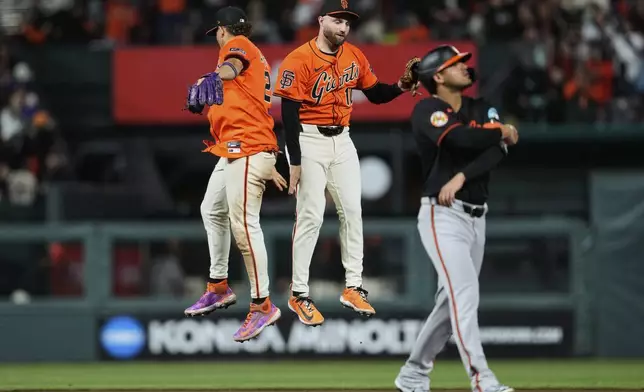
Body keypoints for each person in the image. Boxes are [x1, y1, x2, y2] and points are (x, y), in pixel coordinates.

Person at [273, 0, 419, 326]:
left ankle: (353, 286)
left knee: (352, 210)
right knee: (310, 215)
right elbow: (289, 115)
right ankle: (299, 294)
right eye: (337, 20)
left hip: (343, 139)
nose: (343, 27)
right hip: (309, 138)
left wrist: (400, 86)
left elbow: (376, 93)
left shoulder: (354, 56)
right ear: (321, 19)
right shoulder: (299, 59)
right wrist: (294, 161)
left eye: (347, 22)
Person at [394, 45, 518, 392]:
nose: (465, 66)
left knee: (451, 303)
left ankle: (413, 373)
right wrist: (500, 131)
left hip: (477, 215)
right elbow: (463, 138)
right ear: (438, 76)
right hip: (443, 215)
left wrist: (463, 176)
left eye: (464, 61)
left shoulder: (481, 106)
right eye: (456, 63)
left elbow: (495, 151)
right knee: (464, 295)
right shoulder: (427, 109)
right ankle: (482, 379)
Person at [182, 6, 288, 343]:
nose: (216, 38)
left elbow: (232, 65)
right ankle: (218, 286)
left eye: (216, 32)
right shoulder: (243, 71)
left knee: (243, 224)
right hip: (235, 148)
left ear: (221, 30)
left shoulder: (236, 45)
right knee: (211, 209)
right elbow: (235, 96)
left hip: (247, 147)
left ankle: (262, 305)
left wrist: (214, 76)